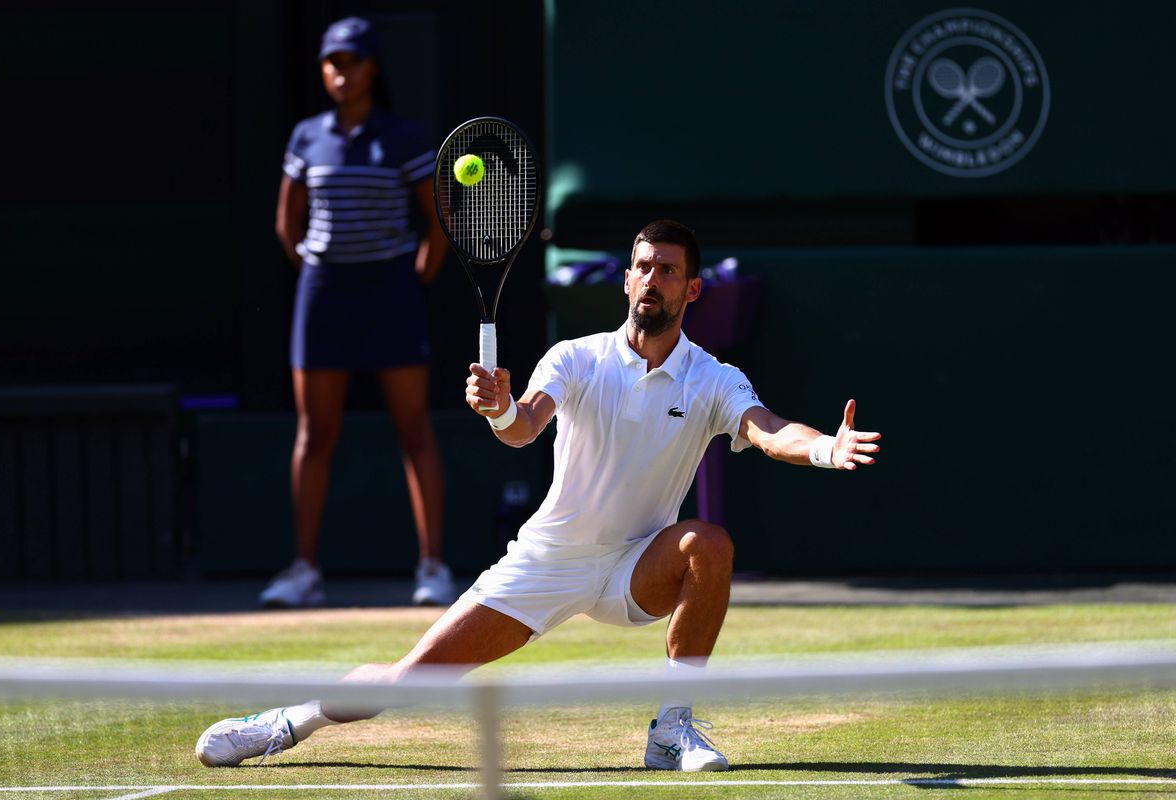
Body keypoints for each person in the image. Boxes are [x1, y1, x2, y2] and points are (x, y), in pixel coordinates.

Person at [197, 219, 882, 770]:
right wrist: (498, 410)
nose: (652, 280)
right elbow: (524, 426)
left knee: (710, 543)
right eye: (642, 266)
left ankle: (672, 731)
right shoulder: (576, 358)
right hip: (547, 564)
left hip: (637, 564)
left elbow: (765, 430)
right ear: (625, 279)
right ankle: (286, 723)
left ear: (692, 291)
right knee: (411, 680)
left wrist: (824, 447)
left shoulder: (713, 378)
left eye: (668, 270)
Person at [260, 17, 455, 609]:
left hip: (390, 292)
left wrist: (413, 274)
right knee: (314, 433)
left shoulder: (402, 137)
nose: (341, 72)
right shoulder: (304, 137)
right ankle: (304, 571)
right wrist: (321, 271)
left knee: (412, 429)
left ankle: (432, 567)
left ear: (372, 69)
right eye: (331, 62)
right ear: (323, 70)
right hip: (323, 295)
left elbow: (436, 220)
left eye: (352, 61)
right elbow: (286, 223)